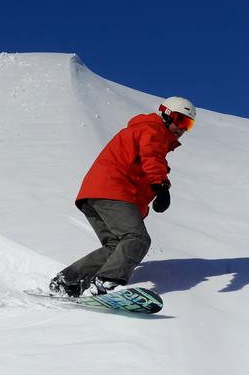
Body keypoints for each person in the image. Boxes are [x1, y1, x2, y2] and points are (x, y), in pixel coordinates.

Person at [48, 97, 196, 297]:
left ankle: (68, 281)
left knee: (115, 246)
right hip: (112, 191)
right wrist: (161, 186)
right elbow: (152, 158)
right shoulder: (153, 130)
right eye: (180, 120)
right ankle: (106, 281)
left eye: (188, 124)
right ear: (166, 115)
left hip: (94, 194)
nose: (182, 128)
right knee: (137, 239)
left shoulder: (143, 132)